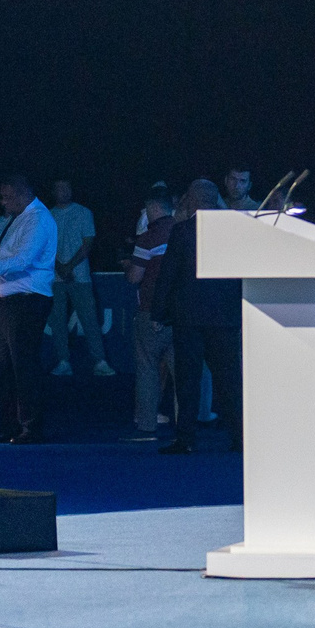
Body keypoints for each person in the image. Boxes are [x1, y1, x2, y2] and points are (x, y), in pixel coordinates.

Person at [0, 174, 57, 444]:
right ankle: (9, 425)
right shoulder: (20, 219)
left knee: (23, 365)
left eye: (6, 197)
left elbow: (22, 260)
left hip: (26, 301)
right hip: (6, 302)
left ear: (21, 195)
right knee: (4, 366)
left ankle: (30, 426)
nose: (3, 203)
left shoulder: (38, 219)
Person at [156, 180, 241, 454]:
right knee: (229, 381)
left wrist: (158, 312)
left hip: (189, 318)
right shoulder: (234, 232)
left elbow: (168, 275)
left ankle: (186, 439)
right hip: (225, 318)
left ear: (190, 200)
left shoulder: (182, 231)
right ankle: (241, 437)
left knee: (188, 382)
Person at [44, 179, 114, 378]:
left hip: (80, 276)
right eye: (60, 188)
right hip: (55, 277)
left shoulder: (84, 212)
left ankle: (100, 361)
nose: (64, 191)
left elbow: (88, 243)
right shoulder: (47, 215)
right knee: (57, 321)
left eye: (67, 188)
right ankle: (63, 361)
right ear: (53, 191)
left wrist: (69, 266)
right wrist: (60, 267)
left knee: (89, 319)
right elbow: (45, 247)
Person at [123, 186, 177, 440]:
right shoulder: (184, 232)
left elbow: (135, 277)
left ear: (153, 208)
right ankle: (185, 426)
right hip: (180, 315)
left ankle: (146, 425)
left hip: (150, 311)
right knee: (183, 373)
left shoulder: (148, 239)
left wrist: (128, 265)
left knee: (147, 369)